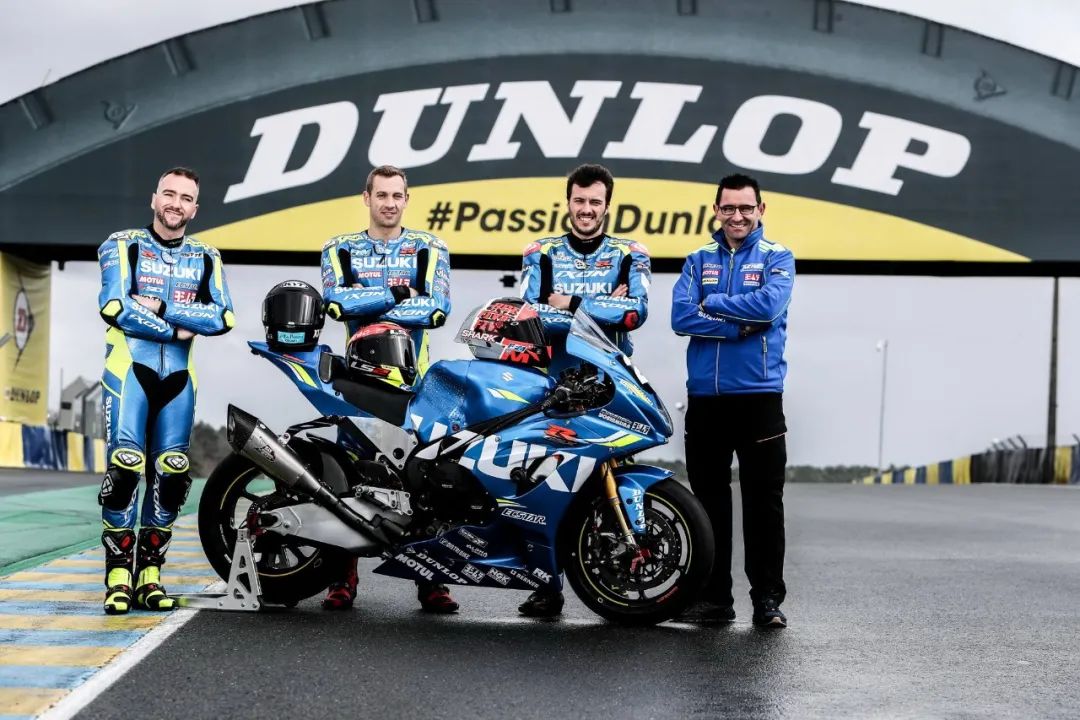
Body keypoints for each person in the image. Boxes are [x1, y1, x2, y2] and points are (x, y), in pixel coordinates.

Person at [97, 167, 234, 615]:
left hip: (179, 378)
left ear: (196, 208)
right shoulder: (122, 244)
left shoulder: (207, 256)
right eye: (169, 194)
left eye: (186, 198)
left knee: (172, 474)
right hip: (128, 371)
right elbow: (115, 307)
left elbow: (223, 318)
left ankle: (150, 577)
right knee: (125, 468)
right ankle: (118, 577)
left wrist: (162, 308)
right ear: (154, 199)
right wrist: (177, 327)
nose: (176, 203)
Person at [319, 164, 455, 613]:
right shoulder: (339, 248)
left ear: (406, 199)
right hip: (357, 383)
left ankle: (431, 581)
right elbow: (337, 303)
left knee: (426, 481)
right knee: (347, 477)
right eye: (382, 195)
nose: (390, 203)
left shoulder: (431, 247)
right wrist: (400, 295)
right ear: (367, 198)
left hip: (415, 384)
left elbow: (436, 309)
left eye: (397, 195)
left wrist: (370, 296)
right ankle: (342, 579)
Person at [518, 163, 652, 617]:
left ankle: (616, 580)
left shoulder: (630, 253)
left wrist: (570, 302)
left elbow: (635, 313)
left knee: (613, 479)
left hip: (611, 384)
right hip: (555, 384)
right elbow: (531, 315)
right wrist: (603, 306)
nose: (587, 209)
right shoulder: (541, 252)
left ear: (608, 205)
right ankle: (546, 586)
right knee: (547, 483)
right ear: (568, 202)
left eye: (595, 201)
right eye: (580, 200)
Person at [671, 173, 795, 629]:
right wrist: (735, 325)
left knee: (764, 505)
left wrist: (714, 302)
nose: (737, 216)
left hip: (760, 398)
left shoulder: (778, 256)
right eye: (729, 208)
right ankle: (714, 600)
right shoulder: (696, 259)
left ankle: (767, 600)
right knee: (708, 506)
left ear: (761, 209)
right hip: (705, 399)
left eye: (745, 208)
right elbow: (681, 316)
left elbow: (768, 307)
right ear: (716, 210)